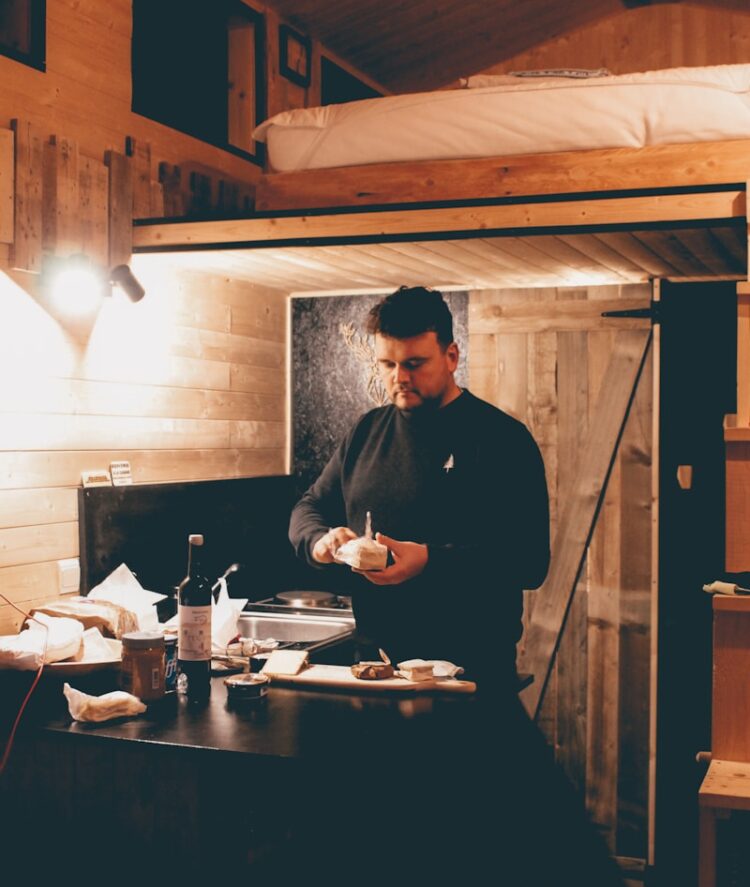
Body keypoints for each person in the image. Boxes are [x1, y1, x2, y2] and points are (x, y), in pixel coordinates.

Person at [289, 286, 550, 690]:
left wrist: (428, 561)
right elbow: (308, 508)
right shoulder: (365, 432)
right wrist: (319, 541)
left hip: (471, 674)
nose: (400, 378)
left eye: (414, 363)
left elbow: (530, 562)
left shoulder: (502, 439)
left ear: (451, 357)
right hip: (375, 669)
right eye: (387, 364)